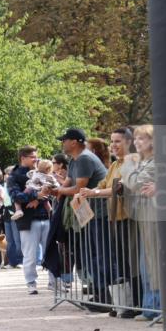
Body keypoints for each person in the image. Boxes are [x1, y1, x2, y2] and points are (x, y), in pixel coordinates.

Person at [43, 128, 110, 311]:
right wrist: (52, 188)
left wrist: (56, 191)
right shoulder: (75, 160)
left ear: (74, 142)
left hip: (99, 213)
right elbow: (68, 184)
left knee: (99, 253)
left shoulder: (85, 158)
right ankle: (99, 294)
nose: (62, 143)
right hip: (87, 213)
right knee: (91, 253)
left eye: (64, 140)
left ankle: (104, 296)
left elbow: (77, 189)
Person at [79, 127, 140, 318]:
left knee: (132, 262)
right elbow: (104, 184)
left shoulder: (133, 162)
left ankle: (136, 303)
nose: (113, 145)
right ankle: (124, 302)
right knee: (121, 262)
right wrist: (90, 191)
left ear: (129, 143)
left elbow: (118, 187)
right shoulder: (114, 165)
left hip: (131, 217)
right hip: (115, 218)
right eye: (112, 141)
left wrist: (93, 192)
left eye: (118, 141)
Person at [119, 125, 160, 321]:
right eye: (135, 138)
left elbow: (136, 183)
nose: (136, 142)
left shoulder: (155, 162)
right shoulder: (142, 161)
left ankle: (158, 307)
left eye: (141, 139)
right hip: (143, 216)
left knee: (154, 263)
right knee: (145, 263)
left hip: (155, 216)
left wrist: (126, 166)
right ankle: (149, 307)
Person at [7, 146, 53, 295]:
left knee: (51, 252)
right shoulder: (14, 176)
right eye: (32, 157)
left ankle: (54, 281)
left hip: (45, 217)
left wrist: (40, 198)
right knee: (30, 255)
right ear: (23, 158)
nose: (36, 159)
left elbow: (51, 192)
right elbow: (16, 196)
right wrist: (36, 196)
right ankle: (31, 283)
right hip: (28, 220)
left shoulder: (42, 172)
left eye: (36, 156)